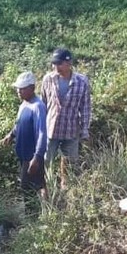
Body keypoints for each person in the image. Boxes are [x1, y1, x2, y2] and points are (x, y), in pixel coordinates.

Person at [39, 48, 92, 189]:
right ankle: (44, 186)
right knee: (45, 159)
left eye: (59, 64)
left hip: (70, 128)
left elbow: (85, 107)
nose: (55, 67)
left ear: (69, 63)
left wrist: (85, 130)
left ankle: (64, 184)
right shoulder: (48, 79)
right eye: (54, 64)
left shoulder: (81, 81)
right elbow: (43, 104)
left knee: (69, 160)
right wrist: (39, 127)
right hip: (51, 127)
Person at [2, 71, 48, 211]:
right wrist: (11, 135)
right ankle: (37, 214)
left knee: (29, 186)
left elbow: (42, 133)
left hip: (31, 155)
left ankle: (34, 215)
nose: (18, 91)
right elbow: (19, 124)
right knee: (31, 185)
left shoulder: (37, 106)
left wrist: (37, 157)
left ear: (32, 88)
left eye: (22, 88)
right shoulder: (24, 105)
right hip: (23, 154)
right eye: (18, 88)